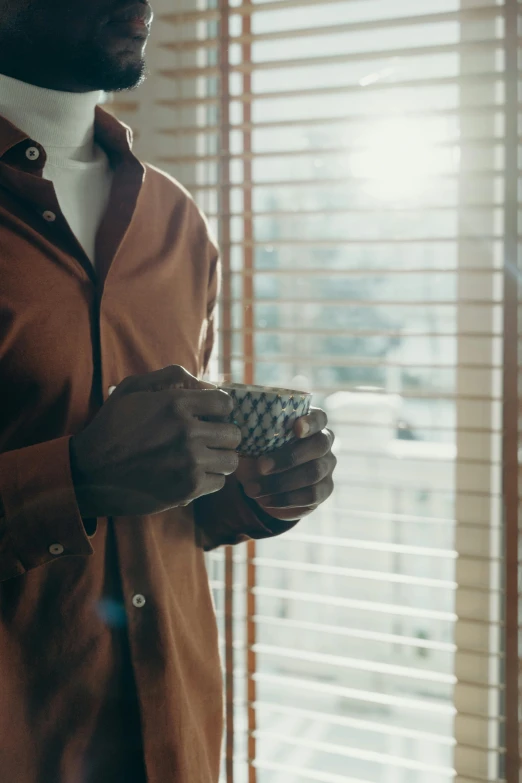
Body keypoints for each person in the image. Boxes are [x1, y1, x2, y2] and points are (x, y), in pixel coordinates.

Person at [0, 1, 337, 781]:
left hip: (175, 739)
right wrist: (76, 477)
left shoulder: (176, 220)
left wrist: (257, 494)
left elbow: (166, 514)